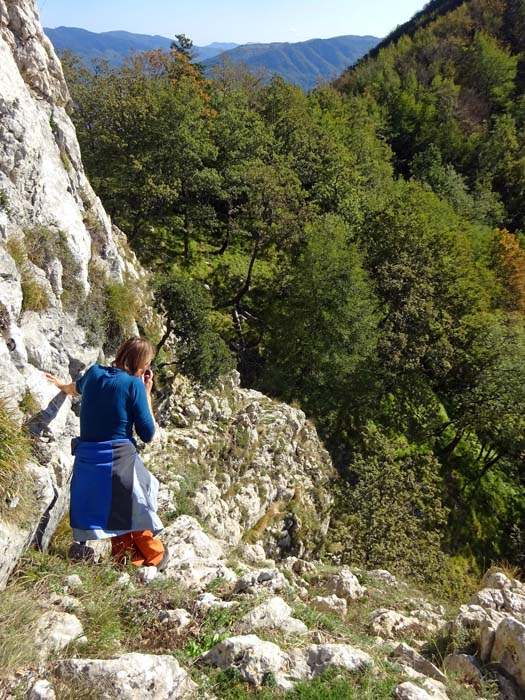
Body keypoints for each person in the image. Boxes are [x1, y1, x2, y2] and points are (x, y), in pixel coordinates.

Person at [45, 337, 167, 569]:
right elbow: (148, 433)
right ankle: (155, 557)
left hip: (87, 460)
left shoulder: (93, 373)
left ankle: (124, 560)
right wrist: (147, 393)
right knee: (138, 506)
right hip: (117, 458)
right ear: (141, 364)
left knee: (116, 510)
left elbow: (74, 388)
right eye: (148, 363)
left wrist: (60, 385)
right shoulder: (134, 385)